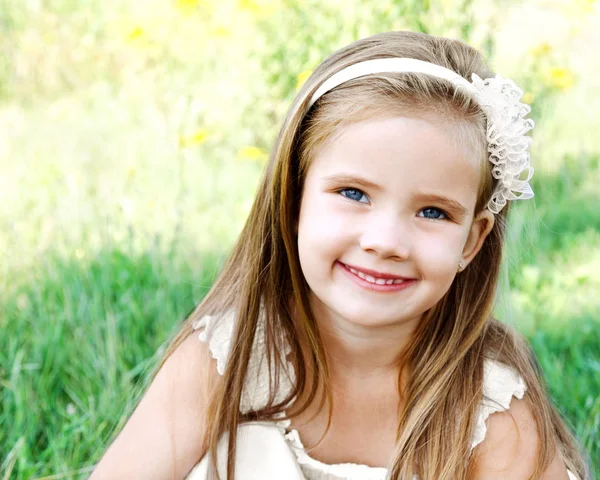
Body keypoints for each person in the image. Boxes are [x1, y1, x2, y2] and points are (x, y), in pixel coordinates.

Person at [90, 31, 589, 480]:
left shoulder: (487, 408)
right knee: (251, 450)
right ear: (293, 201)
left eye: (433, 212)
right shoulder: (229, 359)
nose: (385, 240)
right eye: (353, 193)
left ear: (473, 242)